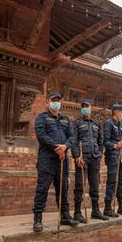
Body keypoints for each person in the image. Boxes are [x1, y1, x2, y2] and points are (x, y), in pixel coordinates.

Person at [32, 93, 79, 232]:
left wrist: (65, 147)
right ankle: (37, 219)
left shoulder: (66, 119)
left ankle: (65, 216)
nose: (56, 103)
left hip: (62, 160)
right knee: (42, 189)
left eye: (58, 101)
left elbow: (72, 137)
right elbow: (41, 135)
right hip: (47, 159)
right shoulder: (42, 118)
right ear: (47, 103)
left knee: (63, 189)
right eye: (53, 101)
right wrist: (56, 147)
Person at [71, 99, 109, 222]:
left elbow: (100, 140)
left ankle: (96, 211)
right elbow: (74, 141)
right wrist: (76, 156)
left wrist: (100, 153)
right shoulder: (77, 123)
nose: (85, 108)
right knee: (79, 186)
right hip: (82, 159)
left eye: (87, 106)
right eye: (83, 106)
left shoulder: (97, 123)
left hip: (95, 158)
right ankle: (77, 212)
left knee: (94, 186)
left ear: (91, 108)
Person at [103, 104, 122, 217]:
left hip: (120, 156)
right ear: (116, 112)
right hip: (112, 156)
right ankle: (107, 208)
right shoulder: (109, 123)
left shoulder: (120, 125)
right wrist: (116, 145)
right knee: (112, 181)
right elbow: (105, 142)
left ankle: (121, 206)